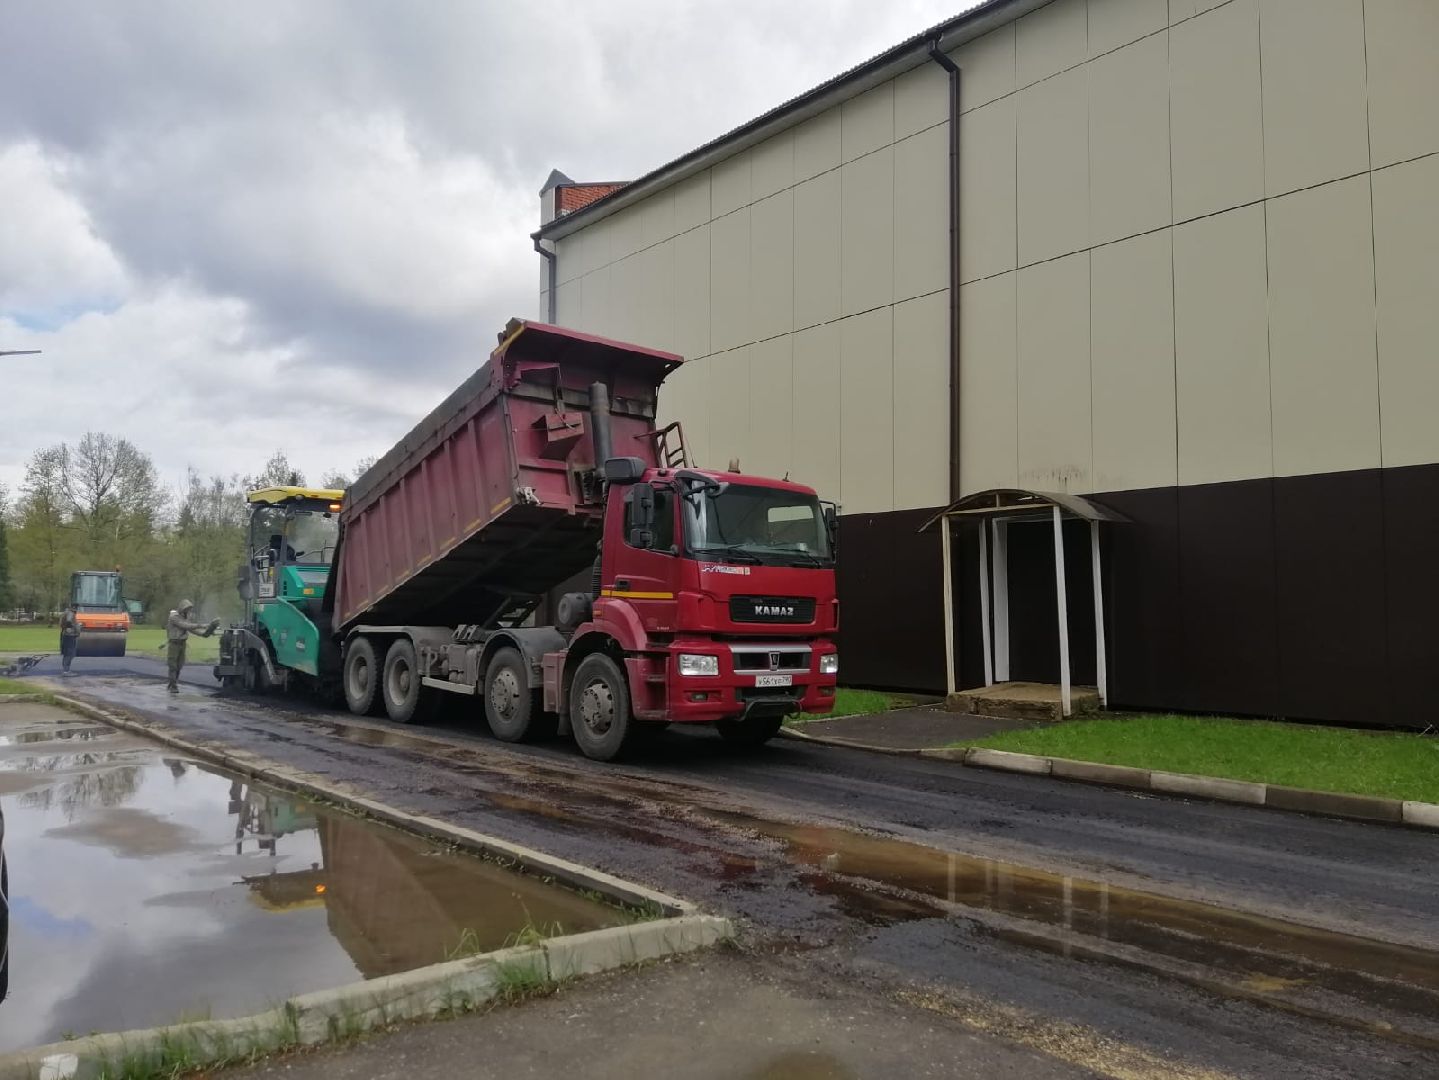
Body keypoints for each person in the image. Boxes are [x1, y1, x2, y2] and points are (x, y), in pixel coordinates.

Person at [166, 600, 217, 694]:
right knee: (173, 666)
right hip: (174, 644)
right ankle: (173, 686)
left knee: (179, 665)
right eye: (187, 609)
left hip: (182, 643)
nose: (188, 611)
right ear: (182, 607)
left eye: (189, 609)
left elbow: (190, 629)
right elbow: (185, 626)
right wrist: (202, 625)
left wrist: (204, 634)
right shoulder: (174, 617)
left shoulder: (185, 616)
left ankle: (173, 682)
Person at [59, 603, 80, 676]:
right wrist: (70, 629)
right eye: (77, 607)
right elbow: (68, 621)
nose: (77, 609)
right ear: (74, 607)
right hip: (70, 635)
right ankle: (66, 671)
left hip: (66, 635)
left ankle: (66, 670)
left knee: (67, 653)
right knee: (70, 653)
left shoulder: (66, 612)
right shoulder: (70, 613)